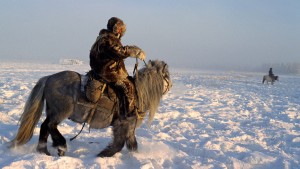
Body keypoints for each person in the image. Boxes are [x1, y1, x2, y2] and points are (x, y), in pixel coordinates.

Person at [89, 17, 146, 114]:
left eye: (122, 29)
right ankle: (128, 115)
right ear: (115, 29)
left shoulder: (105, 37)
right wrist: (134, 51)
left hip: (105, 69)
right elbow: (118, 51)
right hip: (107, 72)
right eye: (119, 28)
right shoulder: (108, 39)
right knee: (128, 88)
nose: (121, 31)